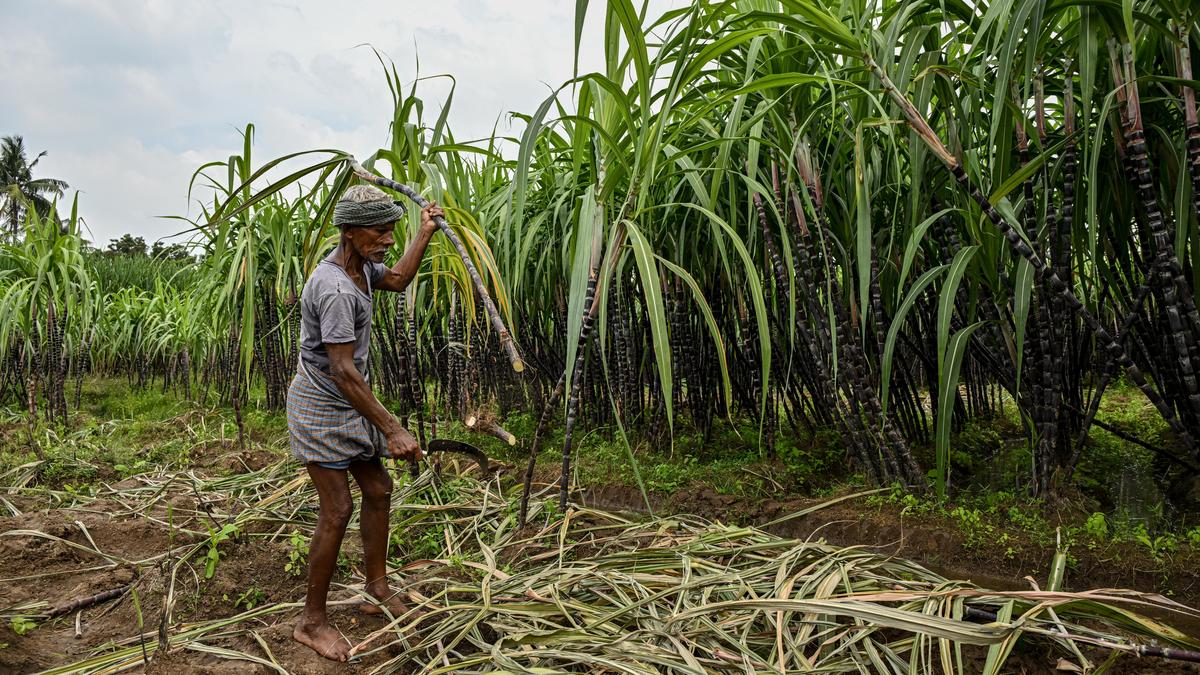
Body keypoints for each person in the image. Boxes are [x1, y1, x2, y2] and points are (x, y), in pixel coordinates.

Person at [286, 184, 441, 661]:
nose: (388, 239)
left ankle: (376, 586)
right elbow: (343, 370)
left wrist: (425, 232)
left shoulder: (361, 270)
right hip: (322, 407)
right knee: (337, 509)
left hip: (351, 404)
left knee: (378, 490)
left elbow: (395, 280)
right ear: (350, 232)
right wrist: (393, 429)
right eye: (380, 230)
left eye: (392, 229)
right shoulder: (334, 288)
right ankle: (311, 623)